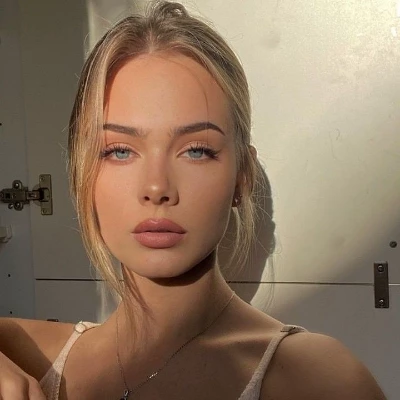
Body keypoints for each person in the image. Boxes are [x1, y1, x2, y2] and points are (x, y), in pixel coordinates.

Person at [0, 1, 387, 399]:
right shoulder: (26, 354)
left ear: (242, 175)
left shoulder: (316, 378)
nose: (157, 187)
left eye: (196, 150)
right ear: (82, 172)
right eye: (119, 150)